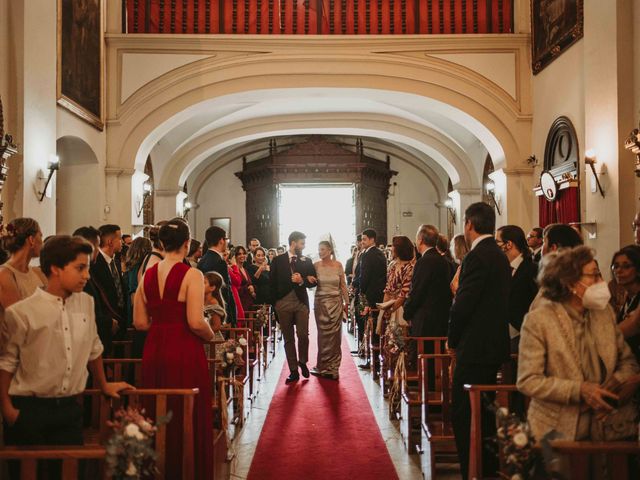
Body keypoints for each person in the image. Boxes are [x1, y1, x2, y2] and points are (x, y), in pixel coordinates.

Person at [0, 236, 132, 478]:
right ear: (55, 269)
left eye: (87, 269)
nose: (87, 276)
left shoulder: (86, 303)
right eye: (80, 268)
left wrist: (103, 384)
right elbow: (7, 362)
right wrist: (8, 410)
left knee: (69, 472)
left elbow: (94, 348)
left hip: (70, 408)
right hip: (30, 408)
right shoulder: (22, 312)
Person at [518, 246, 639, 444]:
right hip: (557, 430)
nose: (602, 282)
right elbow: (528, 380)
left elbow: (628, 362)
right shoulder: (540, 320)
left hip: (606, 426)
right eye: (594, 276)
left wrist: (613, 385)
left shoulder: (604, 314)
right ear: (572, 283)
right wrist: (579, 390)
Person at [134, 219, 215, 480]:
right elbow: (195, 320)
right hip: (183, 348)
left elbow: (140, 322)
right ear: (187, 243)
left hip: (155, 348)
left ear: (161, 243)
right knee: (186, 410)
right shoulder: (192, 274)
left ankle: (157, 469)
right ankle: (187, 470)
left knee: (157, 408)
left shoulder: (147, 274)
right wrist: (210, 333)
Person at [447, 202, 511, 479]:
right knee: (483, 414)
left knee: (464, 414)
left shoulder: (476, 256)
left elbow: (463, 305)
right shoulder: (499, 255)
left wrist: (452, 340)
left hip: (474, 347)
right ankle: (484, 469)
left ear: (469, 224)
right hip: (493, 344)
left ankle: (472, 471)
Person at [270, 231, 317, 384]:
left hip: (301, 303)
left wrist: (302, 279)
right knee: (288, 338)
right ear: (293, 243)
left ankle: (302, 361)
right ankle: (293, 371)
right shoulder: (277, 260)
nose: (303, 246)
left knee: (303, 335)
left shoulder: (306, 260)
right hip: (282, 303)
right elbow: (272, 283)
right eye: (301, 243)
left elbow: (313, 281)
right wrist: (275, 305)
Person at [73, 226, 119, 357]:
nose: (98, 251)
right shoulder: (80, 277)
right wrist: (108, 322)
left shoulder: (90, 270)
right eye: (97, 246)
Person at [496, 225, 538, 353]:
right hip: (504, 333)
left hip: (525, 333)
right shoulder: (502, 268)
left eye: (497, 242)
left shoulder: (532, 269)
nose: (495, 246)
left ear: (508, 244)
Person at [404, 225, 452, 337]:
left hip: (425, 322)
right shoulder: (444, 261)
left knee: (423, 353)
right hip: (441, 320)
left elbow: (417, 292)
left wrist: (407, 313)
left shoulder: (423, 262)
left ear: (420, 240)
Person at [311, 240, 349, 380]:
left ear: (330, 250)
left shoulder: (338, 265)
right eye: (319, 249)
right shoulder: (315, 266)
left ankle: (333, 368)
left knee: (335, 337)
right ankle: (322, 366)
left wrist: (347, 304)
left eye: (323, 249)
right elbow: (310, 284)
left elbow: (343, 285)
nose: (320, 252)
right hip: (320, 304)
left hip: (336, 303)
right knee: (322, 336)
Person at [0, 218, 46, 326]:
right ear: (31, 240)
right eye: (40, 236)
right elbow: (18, 320)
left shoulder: (37, 272)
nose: (42, 242)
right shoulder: (4, 275)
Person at [356, 228, 387, 369]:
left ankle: (371, 359)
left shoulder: (368, 255)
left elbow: (365, 276)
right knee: (374, 328)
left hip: (368, 296)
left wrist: (361, 292)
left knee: (368, 326)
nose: (362, 242)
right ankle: (373, 358)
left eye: (364, 239)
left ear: (372, 239)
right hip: (378, 295)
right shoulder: (380, 253)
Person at [198, 226, 236, 327]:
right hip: (218, 310)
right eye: (226, 239)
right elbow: (224, 289)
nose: (227, 242)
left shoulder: (202, 260)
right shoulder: (219, 261)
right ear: (221, 240)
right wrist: (230, 317)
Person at [92, 224, 126, 337]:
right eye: (120, 238)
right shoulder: (95, 263)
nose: (123, 242)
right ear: (110, 242)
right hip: (105, 322)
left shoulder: (115, 261)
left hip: (120, 319)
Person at [610, 246, 640, 363]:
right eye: (615, 266)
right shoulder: (627, 297)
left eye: (626, 266)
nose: (618, 271)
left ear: (638, 270)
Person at [229, 246, 255, 316]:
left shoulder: (245, 269)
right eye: (239, 254)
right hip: (240, 302)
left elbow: (249, 283)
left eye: (244, 253)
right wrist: (247, 288)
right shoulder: (233, 269)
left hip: (248, 302)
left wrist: (252, 288)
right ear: (234, 256)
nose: (242, 256)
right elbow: (235, 287)